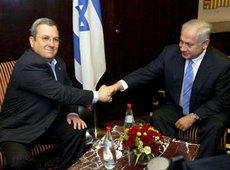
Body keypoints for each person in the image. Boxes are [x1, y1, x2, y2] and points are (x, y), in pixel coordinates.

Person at [0, 18, 113, 169]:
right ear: (32, 41)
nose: (51, 44)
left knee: (76, 130)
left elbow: (68, 88)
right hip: (18, 129)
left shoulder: (57, 62)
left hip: (45, 121)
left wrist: (71, 113)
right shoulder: (28, 65)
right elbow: (60, 93)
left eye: (55, 39)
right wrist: (98, 95)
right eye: (45, 38)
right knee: (19, 162)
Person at [108, 19, 230, 159]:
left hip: (208, 111)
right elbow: (145, 72)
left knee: (214, 127)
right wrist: (116, 86)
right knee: (160, 116)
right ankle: (166, 161)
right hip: (178, 107)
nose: (182, 48)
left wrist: (194, 116)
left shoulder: (222, 64)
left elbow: (221, 100)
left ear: (205, 44)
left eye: (189, 44)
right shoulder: (170, 53)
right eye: (181, 42)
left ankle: (200, 165)